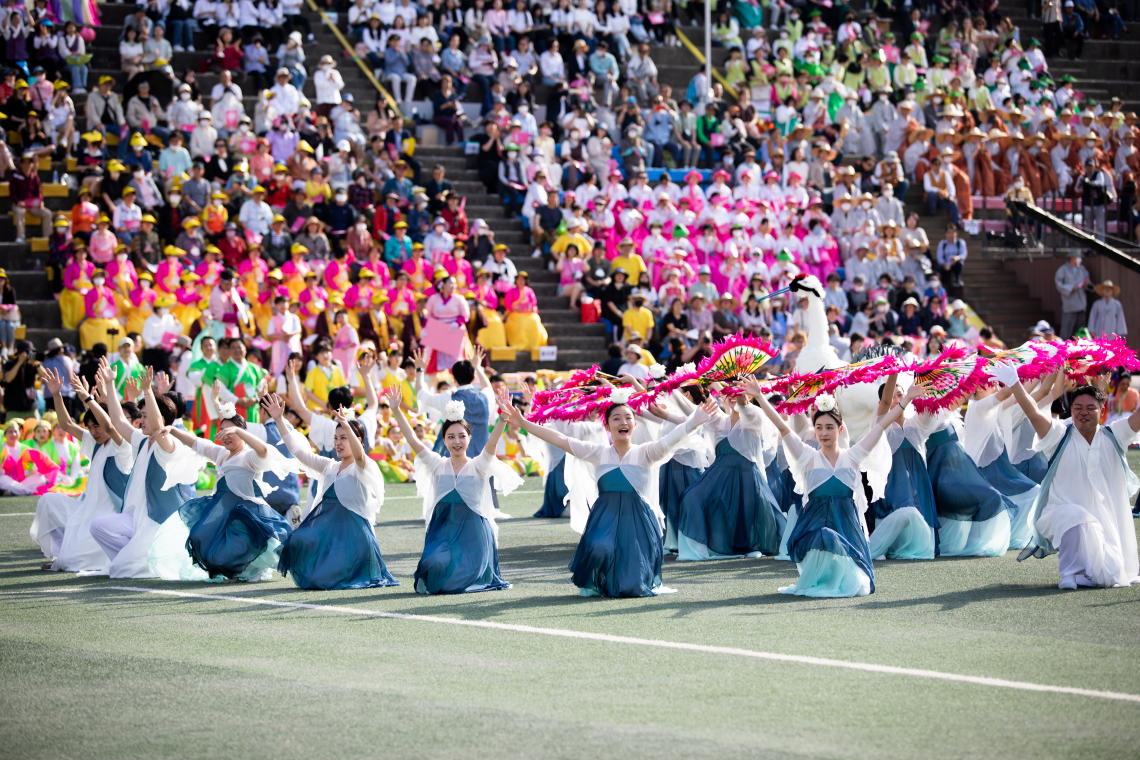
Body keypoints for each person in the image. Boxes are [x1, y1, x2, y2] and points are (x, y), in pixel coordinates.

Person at [506, 392, 718, 597]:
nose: (623, 422)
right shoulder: (598, 453)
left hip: (638, 522)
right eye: (616, 418)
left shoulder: (646, 452)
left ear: (635, 424)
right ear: (607, 426)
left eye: (628, 418)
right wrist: (523, 423)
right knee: (599, 548)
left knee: (632, 588)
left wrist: (694, 422)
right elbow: (560, 439)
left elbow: (671, 439)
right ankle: (599, 580)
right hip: (604, 518)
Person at [757, 380, 923, 597]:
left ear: (840, 429)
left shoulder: (853, 456)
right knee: (825, 536)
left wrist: (908, 398)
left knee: (858, 584)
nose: (824, 433)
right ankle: (820, 579)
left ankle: (840, 578)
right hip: (814, 526)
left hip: (847, 528)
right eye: (819, 428)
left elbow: (882, 425)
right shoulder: (807, 457)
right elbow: (783, 426)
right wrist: (759, 397)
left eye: (829, 427)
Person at [996, 365, 1140, 590]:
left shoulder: (1114, 434)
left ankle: (1085, 574)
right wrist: (1014, 383)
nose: (1083, 412)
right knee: (1076, 515)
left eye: (1090, 408)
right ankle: (1069, 574)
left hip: (1103, 524)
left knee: (1111, 576)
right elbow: (1033, 412)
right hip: (1059, 515)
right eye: (1078, 407)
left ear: (1102, 411)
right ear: (1070, 410)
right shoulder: (1059, 435)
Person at [388, 384, 521, 594]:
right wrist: (396, 410)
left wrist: (504, 417)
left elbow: (492, 444)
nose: (456, 441)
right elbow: (412, 440)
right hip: (443, 533)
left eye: (461, 436)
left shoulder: (478, 465)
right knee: (432, 565)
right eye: (451, 436)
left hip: (474, 536)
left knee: (457, 581)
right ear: (444, 440)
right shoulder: (437, 464)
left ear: (469, 438)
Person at [263, 394, 399, 590]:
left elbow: (360, 454)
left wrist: (345, 423)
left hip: (355, 540)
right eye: (336, 438)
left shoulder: (362, 467)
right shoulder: (330, 466)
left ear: (358, 440)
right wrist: (278, 419)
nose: (338, 443)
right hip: (329, 536)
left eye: (344, 438)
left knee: (323, 581)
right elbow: (298, 452)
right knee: (297, 541)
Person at [88, 363, 204, 580]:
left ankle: (140, 558)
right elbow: (118, 420)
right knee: (99, 527)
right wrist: (111, 384)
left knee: (121, 570)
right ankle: (133, 556)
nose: (140, 419)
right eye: (140, 414)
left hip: (158, 524)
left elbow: (160, 427)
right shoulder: (142, 442)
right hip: (136, 519)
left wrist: (148, 391)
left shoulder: (168, 446)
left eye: (145, 415)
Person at [160, 401, 296, 580]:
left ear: (242, 433)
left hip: (249, 514)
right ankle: (238, 568)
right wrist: (173, 430)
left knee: (238, 543)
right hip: (224, 511)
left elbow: (263, 450)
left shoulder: (249, 457)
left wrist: (238, 431)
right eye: (222, 431)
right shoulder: (221, 454)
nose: (226, 436)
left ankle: (253, 568)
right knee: (199, 537)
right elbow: (196, 443)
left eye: (230, 432)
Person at [34, 367, 134, 573]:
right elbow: (67, 424)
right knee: (48, 501)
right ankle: (61, 550)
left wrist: (88, 399)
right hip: (84, 509)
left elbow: (109, 428)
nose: (93, 431)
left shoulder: (123, 447)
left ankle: (66, 555)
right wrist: (56, 394)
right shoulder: (95, 443)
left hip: (105, 517)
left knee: (69, 563)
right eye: (90, 427)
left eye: (96, 426)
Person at [675, 381, 784, 562]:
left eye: (739, 391)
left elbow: (743, 407)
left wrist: (739, 392)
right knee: (691, 496)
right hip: (718, 476)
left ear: (748, 394)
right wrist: (674, 388)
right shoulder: (720, 419)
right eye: (729, 392)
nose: (733, 394)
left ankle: (752, 545)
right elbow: (693, 410)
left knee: (746, 512)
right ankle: (700, 548)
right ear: (722, 395)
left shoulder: (754, 415)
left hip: (747, 475)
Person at [866, 374, 939, 561]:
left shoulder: (914, 424)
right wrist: (894, 373)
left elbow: (931, 413)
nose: (898, 399)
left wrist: (926, 386)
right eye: (894, 397)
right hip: (892, 483)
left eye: (901, 394)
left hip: (918, 480)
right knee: (902, 506)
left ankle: (916, 546)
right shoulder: (881, 424)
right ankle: (886, 546)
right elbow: (884, 406)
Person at [1054, 252, 1090, 339]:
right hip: (1069, 304)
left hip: (1081, 303)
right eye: (1076, 257)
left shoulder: (1082, 269)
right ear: (1071, 258)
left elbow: (1088, 281)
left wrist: (1087, 283)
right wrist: (1071, 288)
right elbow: (1058, 284)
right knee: (1067, 330)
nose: (1078, 259)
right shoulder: (1063, 269)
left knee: (1080, 331)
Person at [934, 223, 967, 288]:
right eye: (948, 232)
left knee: (959, 264)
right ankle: (940, 284)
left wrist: (956, 258)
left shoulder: (960, 242)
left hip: (955, 263)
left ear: (956, 233)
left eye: (952, 232)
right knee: (939, 269)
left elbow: (963, 255)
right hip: (945, 265)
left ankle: (957, 280)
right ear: (945, 234)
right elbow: (939, 258)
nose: (950, 235)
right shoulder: (942, 243)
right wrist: (944, 264)